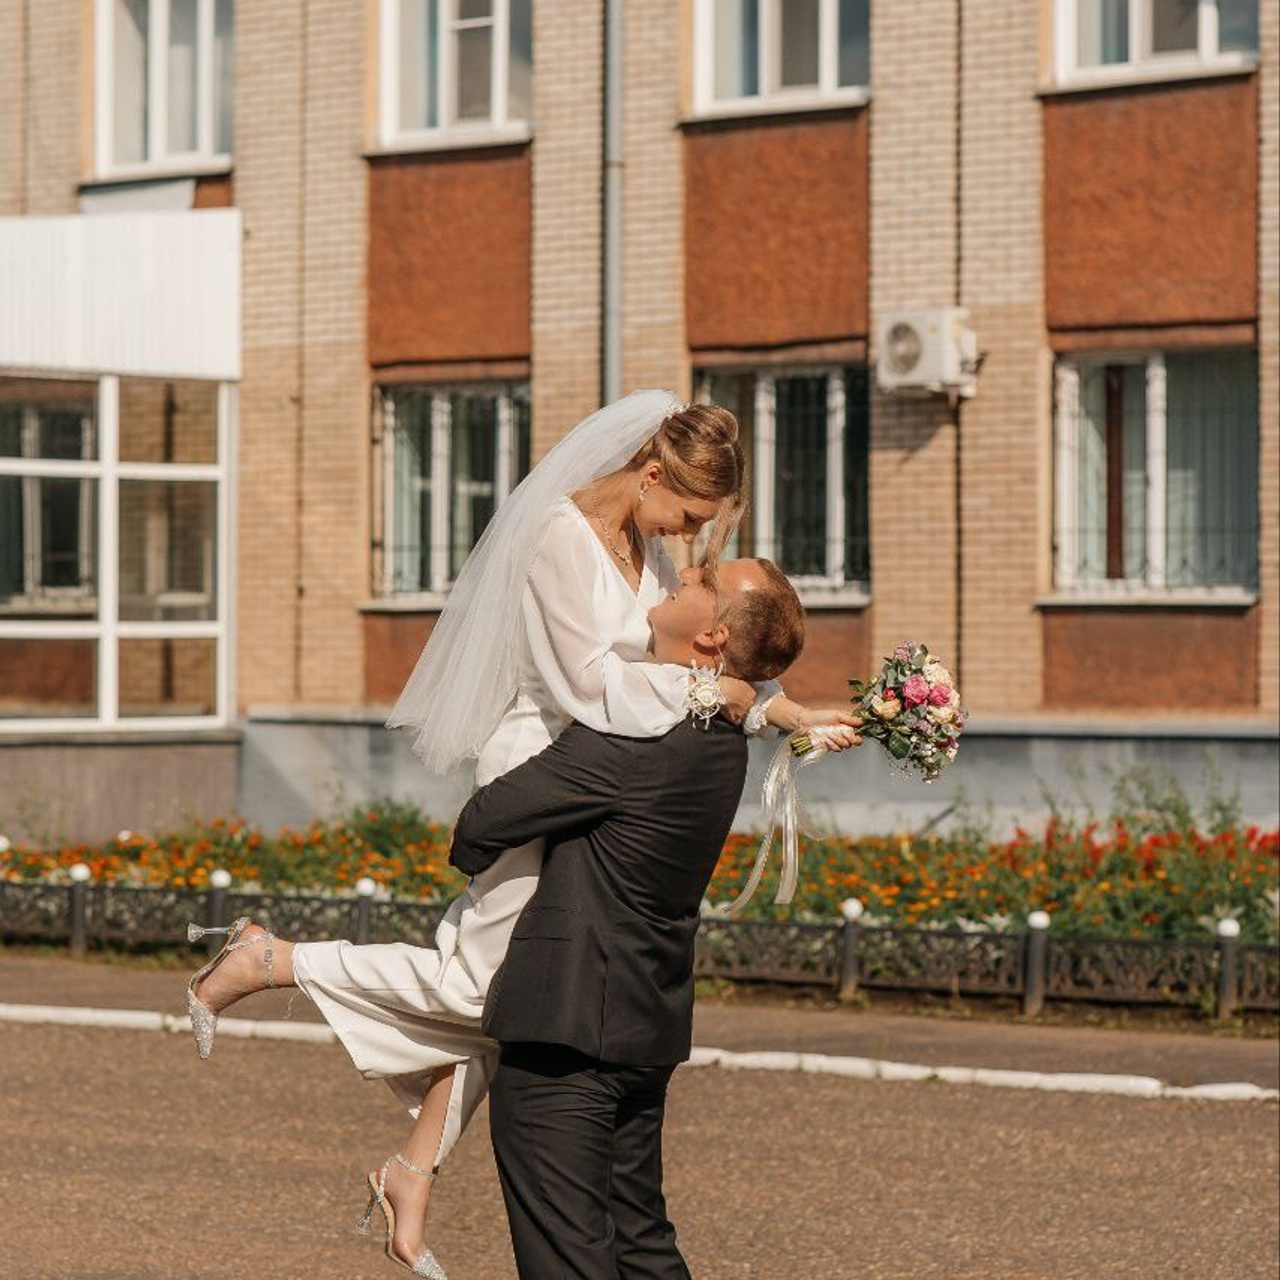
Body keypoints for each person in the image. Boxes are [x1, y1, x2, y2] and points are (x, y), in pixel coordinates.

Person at [185, 391, 859, 1276]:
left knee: (518, 991)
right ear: (652, 475)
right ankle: (270, 960)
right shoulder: (558, 537)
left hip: (603, 773)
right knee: (483, 992)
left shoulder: (650, 550)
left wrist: (771, 705)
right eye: (690, 516)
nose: (693, 541)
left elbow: (690, 656)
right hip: (546, 772)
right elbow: (591, 692)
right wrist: (732, 700)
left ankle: (411, 1170)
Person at [450, 558, 809, 1280]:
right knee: (640, 1245)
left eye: (704, 579)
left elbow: (479, 827)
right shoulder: (722, 735)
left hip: (565, 1030)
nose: (686, 572)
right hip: (644, 1023)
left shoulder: (637, 730)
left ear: (710, 637)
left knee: (570, 1258)